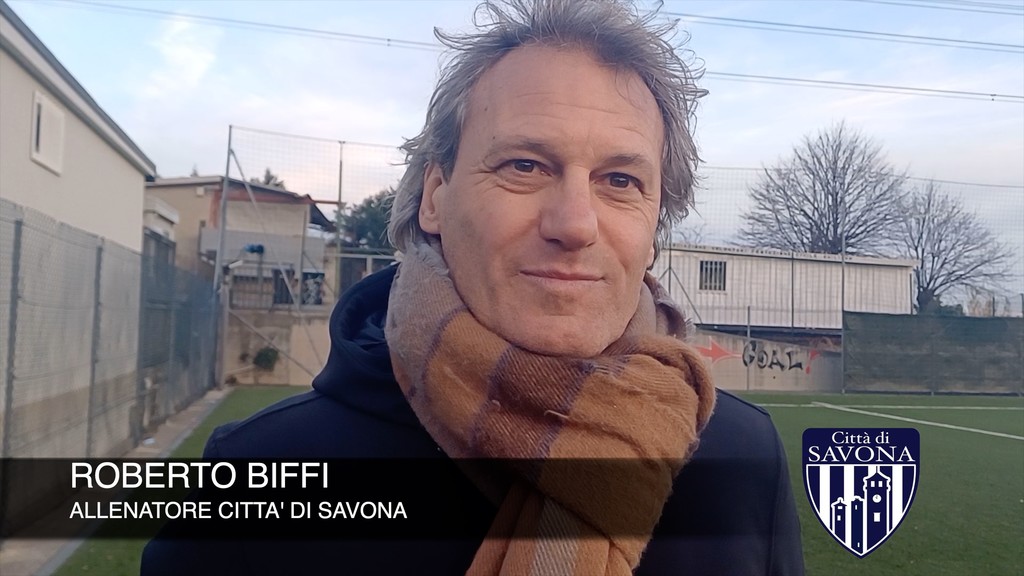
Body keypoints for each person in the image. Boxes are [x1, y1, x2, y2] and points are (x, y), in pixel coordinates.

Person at [142, 0, 804, 574]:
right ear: (434, 196)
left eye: (620, 181)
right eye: (525, 166)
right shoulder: (258, 477)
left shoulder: (740, 461)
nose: (576, 224)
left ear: (654, 226)